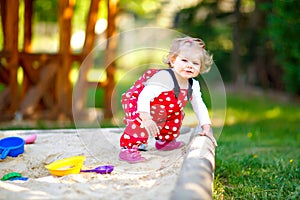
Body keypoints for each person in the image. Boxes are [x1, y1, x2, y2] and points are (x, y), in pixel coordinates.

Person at [119, 36, 216, 163]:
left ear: (201, 67)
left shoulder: (193, 84)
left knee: (176, 116)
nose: (190, 66)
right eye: (185, 60)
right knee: (140, 124)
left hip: (165, 111)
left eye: (195, 63)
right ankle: (128, 148)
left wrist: (206, 127)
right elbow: (145, 96)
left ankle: (164, 141)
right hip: (142, 106)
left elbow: (199, 105)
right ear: (173, 60)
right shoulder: (164, 78)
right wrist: (147, 118)